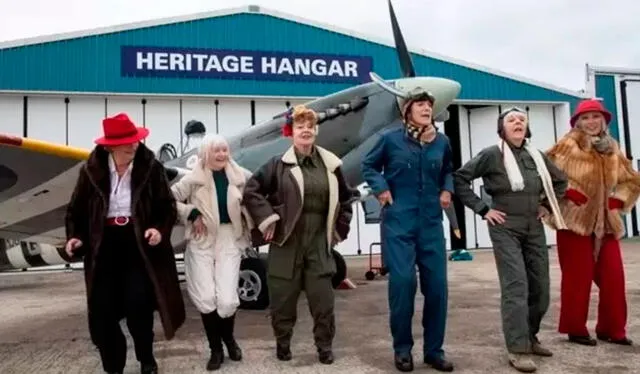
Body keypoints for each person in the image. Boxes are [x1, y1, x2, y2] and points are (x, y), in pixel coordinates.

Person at [64, 113, 185, 374]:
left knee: (138, 305)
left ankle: (146, 359)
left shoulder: (151, 168)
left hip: (138, 245)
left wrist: (158, 229)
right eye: (128, 141)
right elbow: (76, 211)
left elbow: (167, 207)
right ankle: (113, 366)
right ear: (110, 146)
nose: (135, 145)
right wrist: (75, 236)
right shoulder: (90, 170)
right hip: (103, 247)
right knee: (102, 312)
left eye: (136, 140)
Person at [453, 107, 568, 372]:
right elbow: (460, 179)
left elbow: (560, 182)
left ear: (526, 128)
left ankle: (530, 336)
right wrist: (483, 209)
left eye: (522, 120)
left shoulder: (537, 156)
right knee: (516, 286)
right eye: (511, 120)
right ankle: (517, 348)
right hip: (505, 225)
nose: (517, 122)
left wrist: (546, 207)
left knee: (540, 288)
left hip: (533, 226)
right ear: (502, 128)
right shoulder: (492, 155)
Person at [242, 104, 356, 365]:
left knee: (323, 301)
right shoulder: (277, 165)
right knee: (283, 299)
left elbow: (347, 199)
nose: (305, 131)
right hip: (286, 242)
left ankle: (324, 347)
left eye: (310, 127)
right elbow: (252, 191)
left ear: (316, 131)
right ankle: (283, 342)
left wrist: (339, 229)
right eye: (299, 127)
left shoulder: (330, 165)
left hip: (318, 242)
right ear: (290, 132)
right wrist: (267, 218)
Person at [361, 87, 455, 372]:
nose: (427, 109)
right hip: (399, 222)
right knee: (403, 284)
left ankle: (434, 351)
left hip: (430, 224)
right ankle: (402, 349)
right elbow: (369, 166)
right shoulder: (390, 140)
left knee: (437, 288)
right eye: (420, 105)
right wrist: (381, 189)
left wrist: (447, 189)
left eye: (429, 105)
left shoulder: (441, 141)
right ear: (407, 111)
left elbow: (448, 169)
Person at [543, 99, 640, 347]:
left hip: (605, 223)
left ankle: (612, 329)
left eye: (596, 117)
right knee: (578, 278)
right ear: (577, 122)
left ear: (604, 120)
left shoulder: (612, 148)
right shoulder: (567, 145)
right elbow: (542, 176)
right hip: (574, 221)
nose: (591, 122)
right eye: (585, 118)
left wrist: (618, 202)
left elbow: (632, 180)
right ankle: (575, 328)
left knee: (614, 278)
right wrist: (566, 193)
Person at [170, 133, 254, 371]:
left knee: (227, 300)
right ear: (206, 154)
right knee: (206, 298)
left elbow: (258, 197)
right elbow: (167, 198)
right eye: (216, 150)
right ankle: (215, 349)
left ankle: (229, 340)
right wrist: (191, 213)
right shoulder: (192, 179)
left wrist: (264, 221)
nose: (221, 155)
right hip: (201, 239)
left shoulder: (241, 176)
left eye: (224, 150)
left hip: (230, 238)